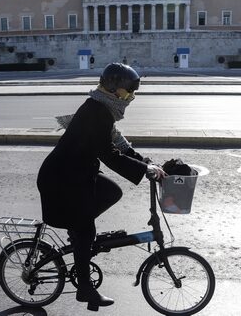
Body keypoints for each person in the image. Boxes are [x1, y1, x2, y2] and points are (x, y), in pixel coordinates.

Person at [37, 62, 166, 311]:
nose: (131, 97)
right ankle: (85, 289)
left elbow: (119, 145)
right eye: (128, 92)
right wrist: (143, 170)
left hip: (75, 175)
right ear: (113, 89)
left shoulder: (102, 110)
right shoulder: (95, 111)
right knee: (85, 228)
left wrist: (146, 162)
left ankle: (79, 232)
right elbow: (108, 154)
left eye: (133, 92)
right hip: (60, 179)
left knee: (111, 192)